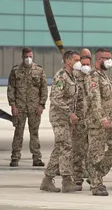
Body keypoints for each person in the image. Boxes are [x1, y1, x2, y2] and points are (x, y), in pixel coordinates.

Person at [39, 50, 81, 193]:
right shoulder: (61, 76)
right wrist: (70, 113)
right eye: (76, 60)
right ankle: (67, 180)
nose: (79, 62)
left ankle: (47, 180)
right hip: (59, 118)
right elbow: (56, 98)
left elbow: (73, 99)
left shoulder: (73, 76)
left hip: (67, 119)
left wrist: (72, 119)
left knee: (60, 147)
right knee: (66, 147)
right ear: (68, 61)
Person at [86, 48, 112, 196]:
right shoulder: (93, 77)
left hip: (111, 121)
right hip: (98, 122)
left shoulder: (105, 77)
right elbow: (95, 100)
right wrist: (102, 118)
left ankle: (96, 174)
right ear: (99, 59)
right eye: (107, 58)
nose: (109, 61)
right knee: (96, 153)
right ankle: (96, 184)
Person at [8, 47, 47, 167]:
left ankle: (37, 158)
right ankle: (15, 157)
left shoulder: (39, 71)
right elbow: (11, 89)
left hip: (34, 108)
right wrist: (13, 105)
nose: (28, 59)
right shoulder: (16, 71)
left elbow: (43, 89)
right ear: (22, 56)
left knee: (34, 133)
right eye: (26, 57)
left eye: (30, 56)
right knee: (18, 132)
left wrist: (41, 105)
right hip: (19, 108)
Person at [72, 54, 91, 189]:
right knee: (78, 150)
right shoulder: (73, 77)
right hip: (78, 120)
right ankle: (77, 179)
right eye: (82, 64)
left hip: (92, 120)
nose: (85, 66)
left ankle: (93, 177)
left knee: (92, 151)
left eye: (87, 64)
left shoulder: (93, 77)